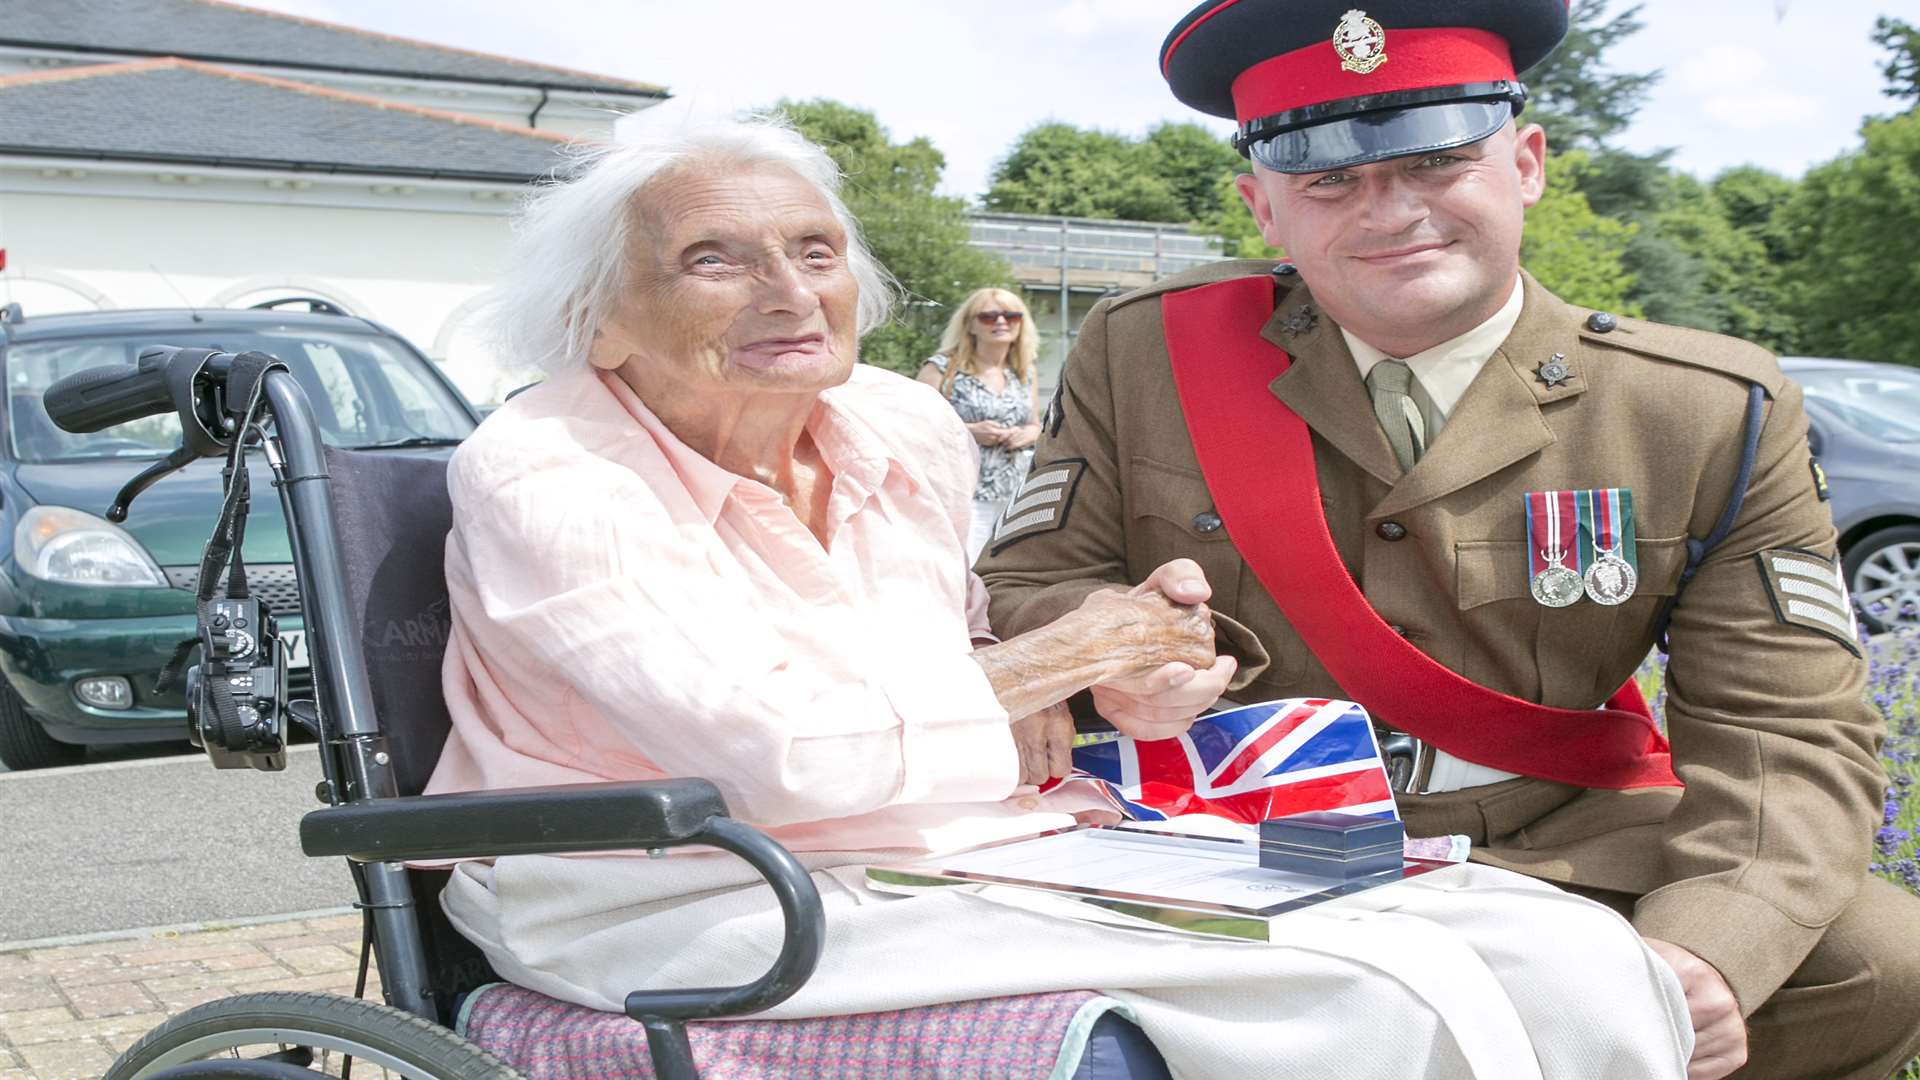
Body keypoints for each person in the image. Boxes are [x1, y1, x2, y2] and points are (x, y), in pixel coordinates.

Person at [421, 117, 1694, 1078]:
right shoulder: (549, 469)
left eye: (816, 251)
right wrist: (1057, 657)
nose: (788, 291)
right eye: (714, 259)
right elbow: (781, 757)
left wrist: (1124, 683)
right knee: (1367, 1001)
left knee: (1572, 955)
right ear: (599, 325)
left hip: (969, 851)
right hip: (690, 890)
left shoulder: (899, 424)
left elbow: (967, 670)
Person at [978, 3, 1920, 1079]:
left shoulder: (1699, 408)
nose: (1389, 210)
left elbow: (1785, 731)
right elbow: (1032, 578)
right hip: (1231, 834)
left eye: (1434, 161)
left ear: (1525, 163)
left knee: (1874, 959)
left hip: (1551, 843)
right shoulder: (1145, 351)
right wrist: (1118, 645)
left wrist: (1707, 946)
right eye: (1328, 179)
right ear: (1263, 208)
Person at [916, 287, 1043, 562]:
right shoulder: (941, 368)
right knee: (961, 572)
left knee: (1006, 573)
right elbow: (913, 424)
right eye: (988, 316)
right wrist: (970, 431)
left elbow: (1035, 423)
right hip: (961, 493)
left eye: (1011, 316)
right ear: (970, 325)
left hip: (1015, 495)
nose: (1001, 322)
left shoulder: (1024, 373)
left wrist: (1028, 434)